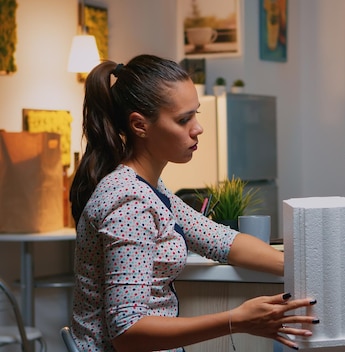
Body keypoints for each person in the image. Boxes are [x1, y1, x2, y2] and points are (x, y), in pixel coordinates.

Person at [68, 54, 318, 351]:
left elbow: (221, 240)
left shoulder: (149, 187)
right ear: (139, 125)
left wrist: (311, 270)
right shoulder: (128, 201)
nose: (197, 128)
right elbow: (127, 331)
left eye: (195, 114)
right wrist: (237, 321)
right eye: (184, 119)